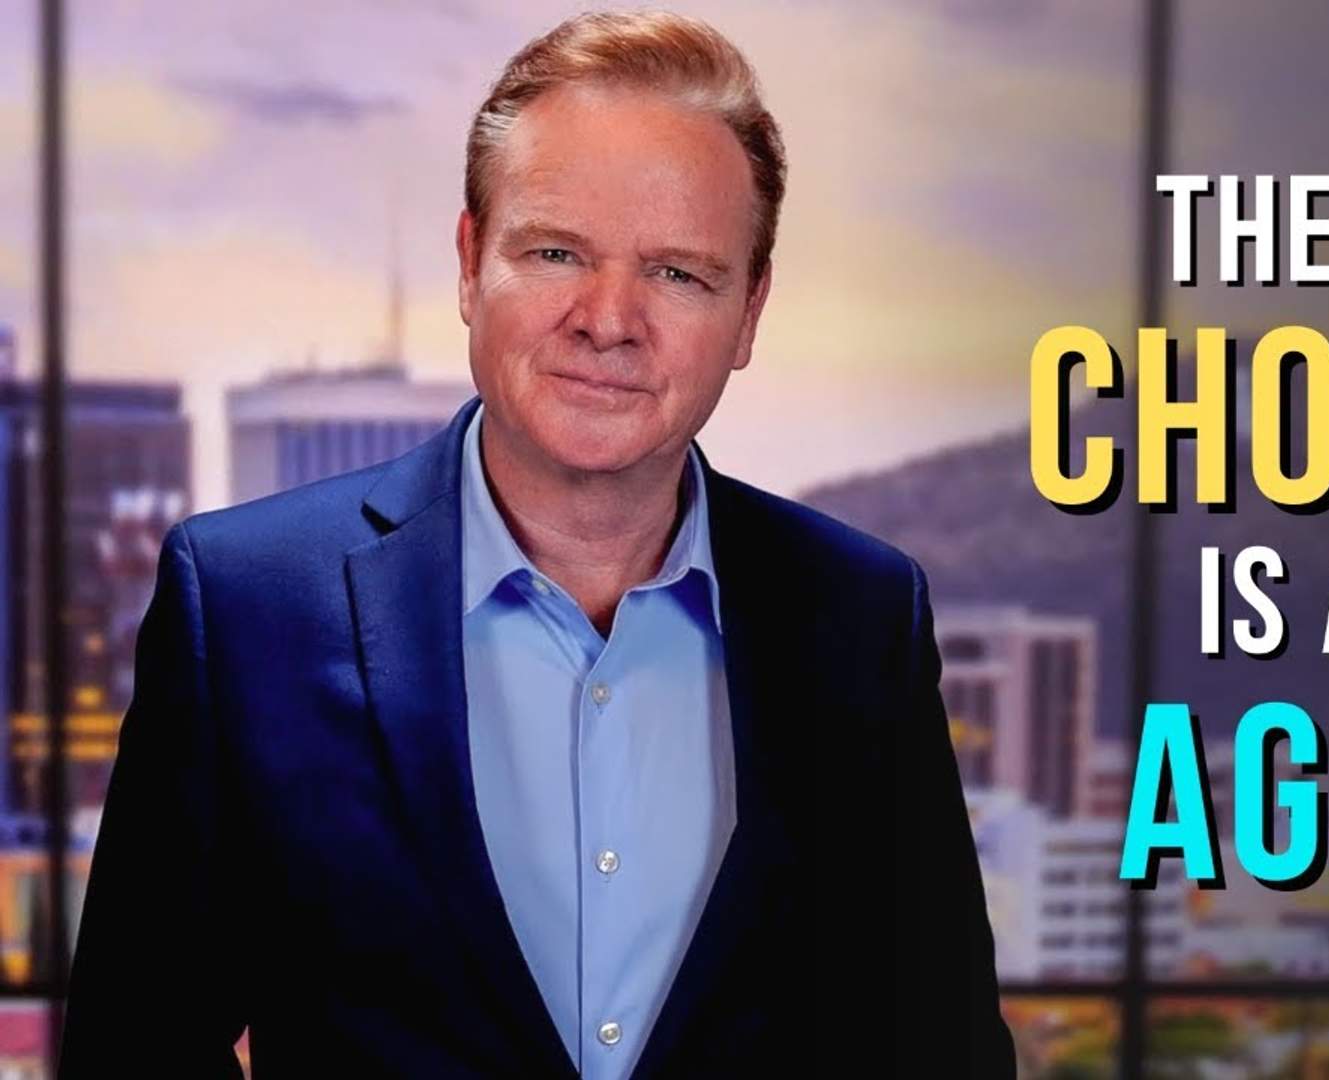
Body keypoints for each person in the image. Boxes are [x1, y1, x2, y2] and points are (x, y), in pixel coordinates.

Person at [60, 10, 1014, 1078]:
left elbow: (945, 1053)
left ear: (749, 313)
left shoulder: (863, 618)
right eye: (556, 252)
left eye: (680, 274)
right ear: (471, 266)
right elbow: (130, 1049)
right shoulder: (244, 605)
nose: (608, 318)